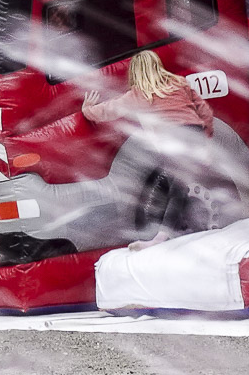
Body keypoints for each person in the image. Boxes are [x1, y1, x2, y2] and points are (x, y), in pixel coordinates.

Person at [82, 49, 215, 248]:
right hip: (193, 134)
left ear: (135, 72)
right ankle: (181, 228)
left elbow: (108, 110)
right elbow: (205, 112)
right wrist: (206, 141)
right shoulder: (180, 83)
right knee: (176, 186)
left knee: (176, 189)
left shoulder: (138, 94)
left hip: (171, 139)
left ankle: (160, 237)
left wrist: (88, 110)